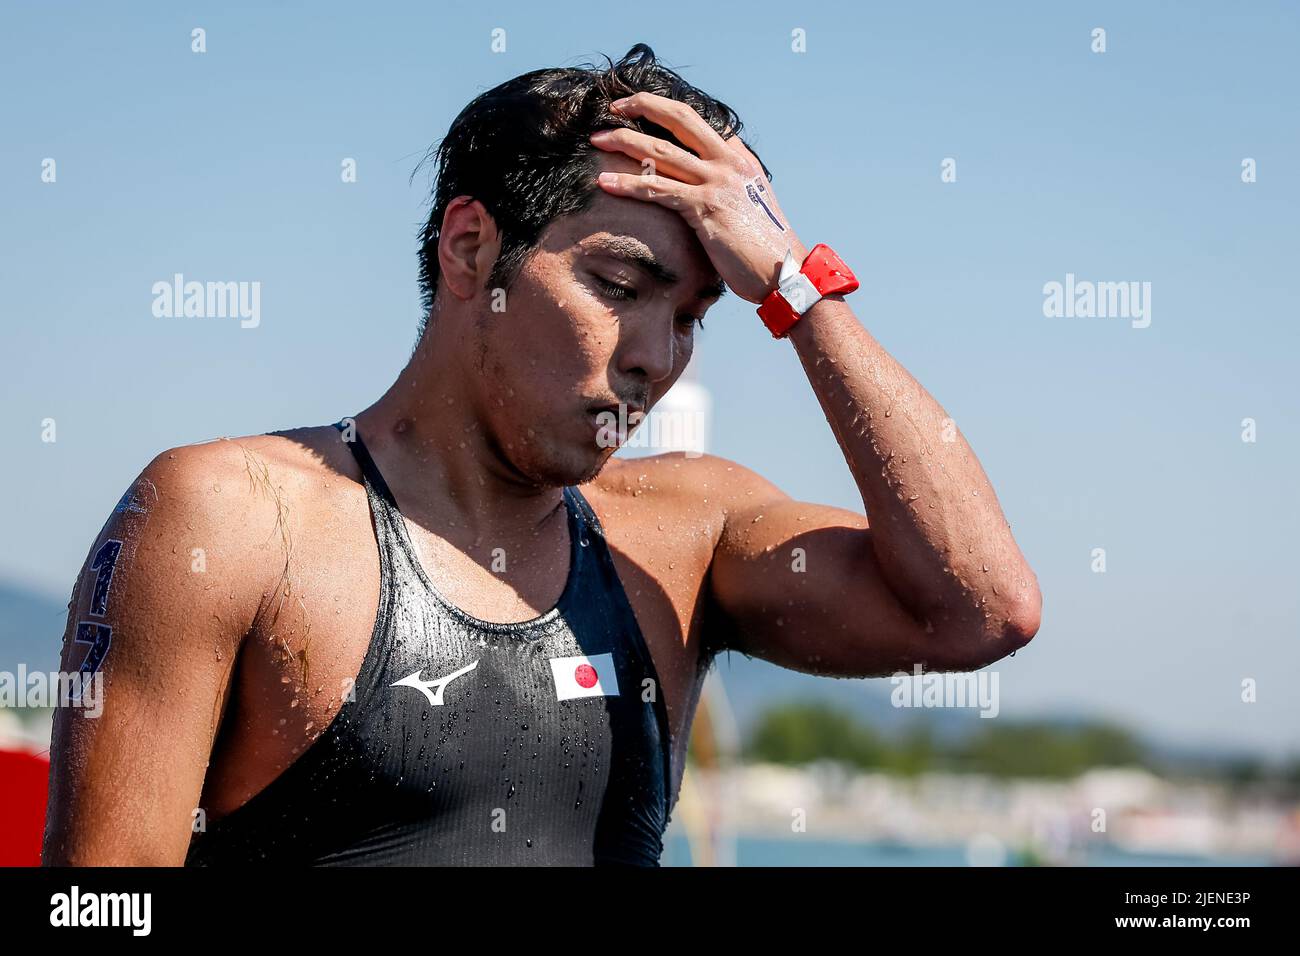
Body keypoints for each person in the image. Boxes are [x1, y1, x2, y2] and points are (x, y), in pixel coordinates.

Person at [42, 43, 1040, 866]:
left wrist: (793, 285)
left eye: (696, 314)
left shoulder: (684, 539)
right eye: (618, 285)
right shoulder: (232, 517)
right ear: (472, 248)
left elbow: (980, 609)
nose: (658, 358)